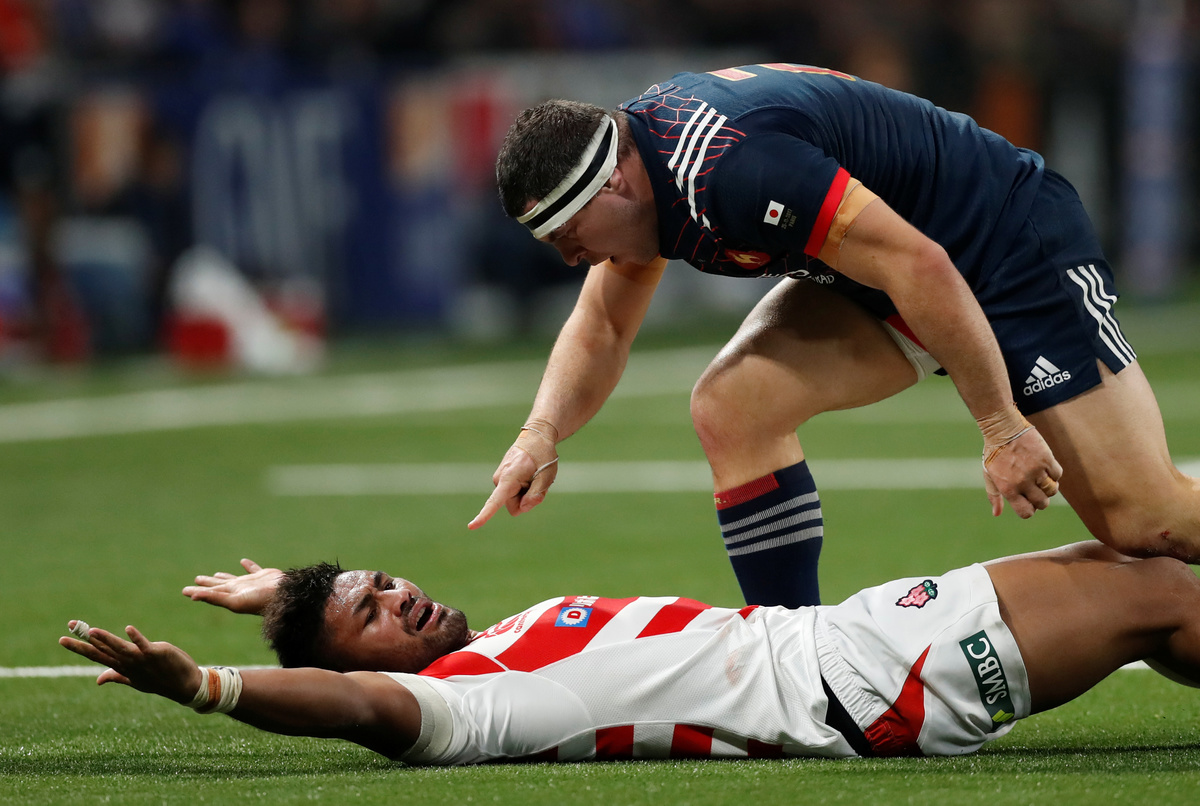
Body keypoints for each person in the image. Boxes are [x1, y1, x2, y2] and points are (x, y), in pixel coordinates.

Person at [468, 62, 1200, 609]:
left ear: (613, 186)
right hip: (882, 269)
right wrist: (540, 432)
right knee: (735, 405)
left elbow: (922, 264)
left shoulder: (727, 167)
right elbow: (602, 324)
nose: (571, 258)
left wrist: (1002, 427)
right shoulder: (644, 173)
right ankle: (797, 666)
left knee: (1146, 520)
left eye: (569, 234)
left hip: (997, 243)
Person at [60, 541, 1200, 765]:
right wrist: (209, 687)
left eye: (385, 580)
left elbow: (347, 646)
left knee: (1138, 560)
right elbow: (354, 704)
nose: (398, 595)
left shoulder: (492, 641)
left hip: (847, 640)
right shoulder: (465, 704)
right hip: (867, 683)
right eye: (373, 611)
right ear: (371, 667)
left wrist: (292, 592)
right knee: (1157, 594)